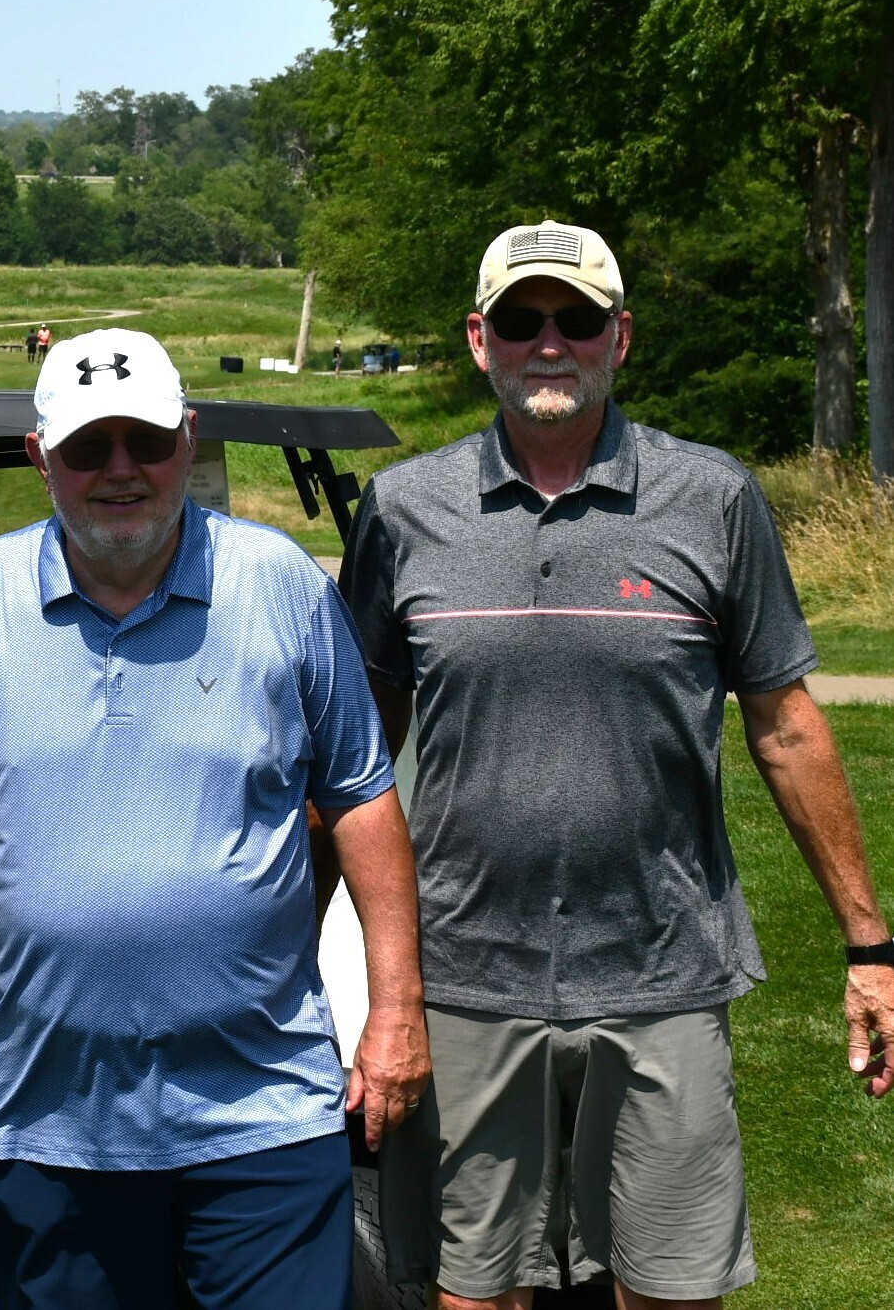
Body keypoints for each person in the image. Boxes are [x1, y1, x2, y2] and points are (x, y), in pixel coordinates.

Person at [340, 219, 894, 1310]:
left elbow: (786, 727)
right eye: (521, 319)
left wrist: (871, 945)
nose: (550, 342)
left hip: (662, 969)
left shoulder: (714, 498)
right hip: (466, 973)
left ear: (621, 337)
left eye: (578, 319)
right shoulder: (402, 510)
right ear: (480, 339)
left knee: (672, 1287)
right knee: (474, 1291)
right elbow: (353, 757)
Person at [0, 326, 430, 1309]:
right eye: (88, 447)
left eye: (146, 441)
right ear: (40, 456)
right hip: (42, 1122)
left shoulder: (283, 587)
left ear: (187, 437)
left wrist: (395, 1010)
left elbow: (362, 803)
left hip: (261, 1117)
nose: (121, 470)